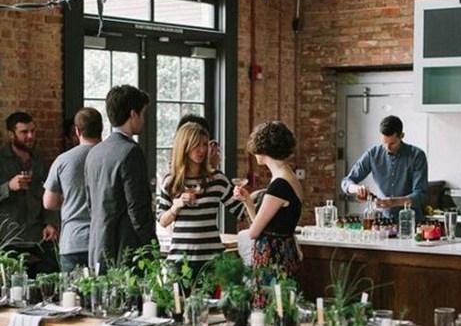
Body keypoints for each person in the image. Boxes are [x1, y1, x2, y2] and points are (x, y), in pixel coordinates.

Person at [158, 122, 243, 279]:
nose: (202, 150)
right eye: (196, 145)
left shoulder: (217, 179)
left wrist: (250, 198)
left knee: (214, 304)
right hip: (180, 261)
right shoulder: (171, 182)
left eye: (205, 144)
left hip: (212, 261)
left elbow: (241, 211)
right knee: (177, 303)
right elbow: (162, 221)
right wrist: (175, 207)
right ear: (184, 146)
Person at [85, 85, 155, 267]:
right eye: (143, 114)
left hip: (97, 245)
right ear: (133, 114)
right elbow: (137, 209)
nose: (143, 120)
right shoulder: (131, 152)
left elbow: (91, 204)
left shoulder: (94, 152)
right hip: (125, 250)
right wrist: (151, 246)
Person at [234, 121, 303, 280]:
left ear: (263, 149)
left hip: (273, 257)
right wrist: (248, 202)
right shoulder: (289, 177)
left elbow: (254, 232)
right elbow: (264, 226)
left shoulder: (279, 185)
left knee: (271, 301)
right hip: (285, 252)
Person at [0, 111, 59, 244]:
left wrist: (50, 223)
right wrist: (8, 187)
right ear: (11, 135)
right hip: (5, 237)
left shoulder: (39, 161)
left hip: (37, 237)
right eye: (24, 132)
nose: (30, 136)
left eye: (33, 131)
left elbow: (50, 194)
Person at [43, 107, 103, 272]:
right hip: (103, 239)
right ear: (101, 128)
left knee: (72, 295)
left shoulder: (63, 160)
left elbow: (49, 203)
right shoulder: (110, 157)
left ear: (77, 131)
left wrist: (70, 197)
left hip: (73, 240)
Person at [341, 115, 428, 223]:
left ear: (402, 136)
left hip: (412, 221)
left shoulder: (417, 156)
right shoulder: (373, 154)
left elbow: (420, 195)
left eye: (392, 144)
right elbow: (346, 182)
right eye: (384, 143)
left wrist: (393, 202)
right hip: (384, 222)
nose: (387, 148)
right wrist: (357, 189)